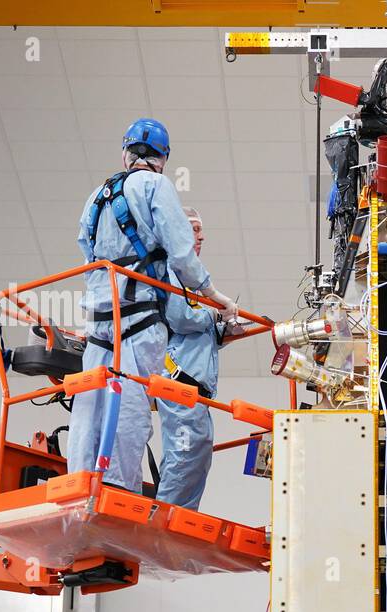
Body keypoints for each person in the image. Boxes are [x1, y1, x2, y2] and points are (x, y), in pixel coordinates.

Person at [67, 118, 238, 494]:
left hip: (98, 319)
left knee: (90, 399)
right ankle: (118, 488)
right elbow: (181, 254)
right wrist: (216, 296)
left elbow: (86, 252)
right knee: (129, 400)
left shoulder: (97, 196)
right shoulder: (156, 186)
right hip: (140, 318)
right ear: (163, 158)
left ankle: (80, 480)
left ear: (125, 152)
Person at [154, 207, 245, 509]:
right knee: (184, 458)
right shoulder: (169, 270)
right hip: (180, 384)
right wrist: (215, 311)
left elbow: (196, 330)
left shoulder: (189, 280)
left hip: (194, 389)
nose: (201, 235)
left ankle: (175, 528)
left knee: (195, 457)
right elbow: (180, 319)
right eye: (194, 228)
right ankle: (164, 531)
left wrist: (228, 327)